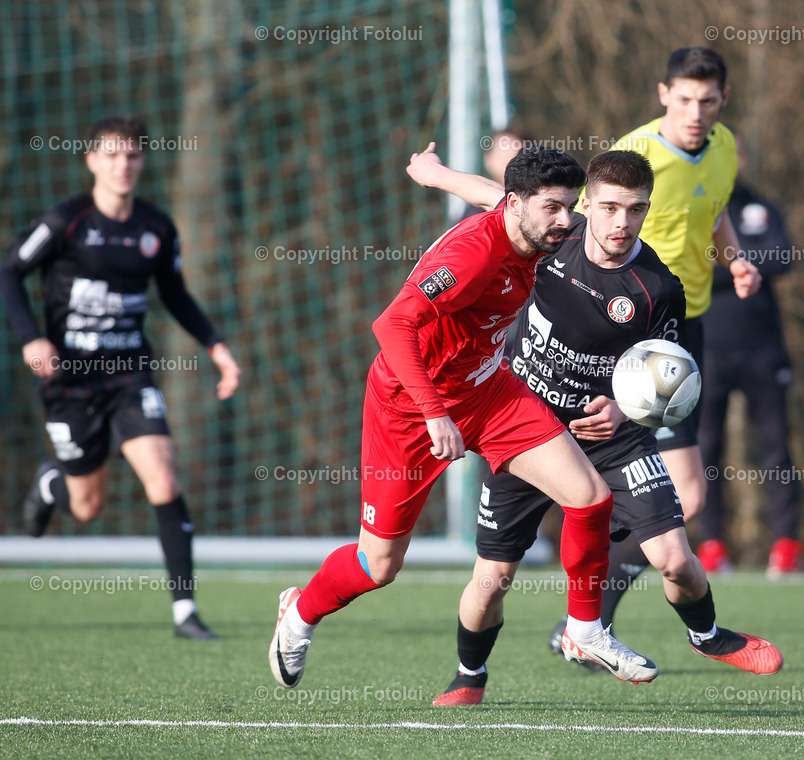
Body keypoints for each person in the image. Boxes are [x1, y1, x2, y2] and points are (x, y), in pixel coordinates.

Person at [268, 146, 659, 692]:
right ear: (518, 203)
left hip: (489, 392)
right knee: (378, 565)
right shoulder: (474, 255)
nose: (567, 221)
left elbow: (484, 191)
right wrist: (434, 414)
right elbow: (392, 326)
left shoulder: (536, 224)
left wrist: (435, 175)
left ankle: (585, 629)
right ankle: (300, 612)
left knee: (590, 497)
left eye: (571, 207)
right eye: (553, 208)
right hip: (408, 406)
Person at [406, 145, 783, 706]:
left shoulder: (659, 288)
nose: (620, 222)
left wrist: (622, 408)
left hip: (613, 436)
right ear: (587, 204)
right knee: (490, 582)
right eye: (608, 208)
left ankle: (707, 635)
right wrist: (436, 176)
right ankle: (469, 676)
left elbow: (665, 375)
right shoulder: (553, 239)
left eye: (634, 210)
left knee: (676, 559)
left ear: (647, 210)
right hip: (524, 426)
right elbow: (492, 196)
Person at [0, 115, 241, 639]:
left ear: (142, 161)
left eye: (131, 155)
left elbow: (175, 296)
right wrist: (31, 338)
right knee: (87, 506)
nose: (122, 165)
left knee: (163, 475)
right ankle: (49, 485)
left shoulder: (155, 228)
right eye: (111, 155)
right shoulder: (66, 221)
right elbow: (8, 271)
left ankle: (185, 613)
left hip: (130, 374)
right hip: (71, 381)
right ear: (91, 161)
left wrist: (217, 349)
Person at [589, 47, 761, 626]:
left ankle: (582, 621)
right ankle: (585, 618)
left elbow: (714, 212)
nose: (695, 111)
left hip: (681, 335)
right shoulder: (634, 153)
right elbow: (591, 227)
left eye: (707, 100)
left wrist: (734, 260)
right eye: (684, 98)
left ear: (723, 101)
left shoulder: (725, 146)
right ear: (663, 94)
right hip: (627, 328)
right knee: (659, 490)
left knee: (682, 494)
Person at [696, 134, 803, 575]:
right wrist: (736, 263)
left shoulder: (762, 208)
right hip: (708, 348)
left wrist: (728, 261)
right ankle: (712, 545)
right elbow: (693, 265)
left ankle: (786, 546)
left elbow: (781, 257)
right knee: (705, 450)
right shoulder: (699, 209)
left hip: (763, 349)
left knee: (777, 448)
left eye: (739, 152)